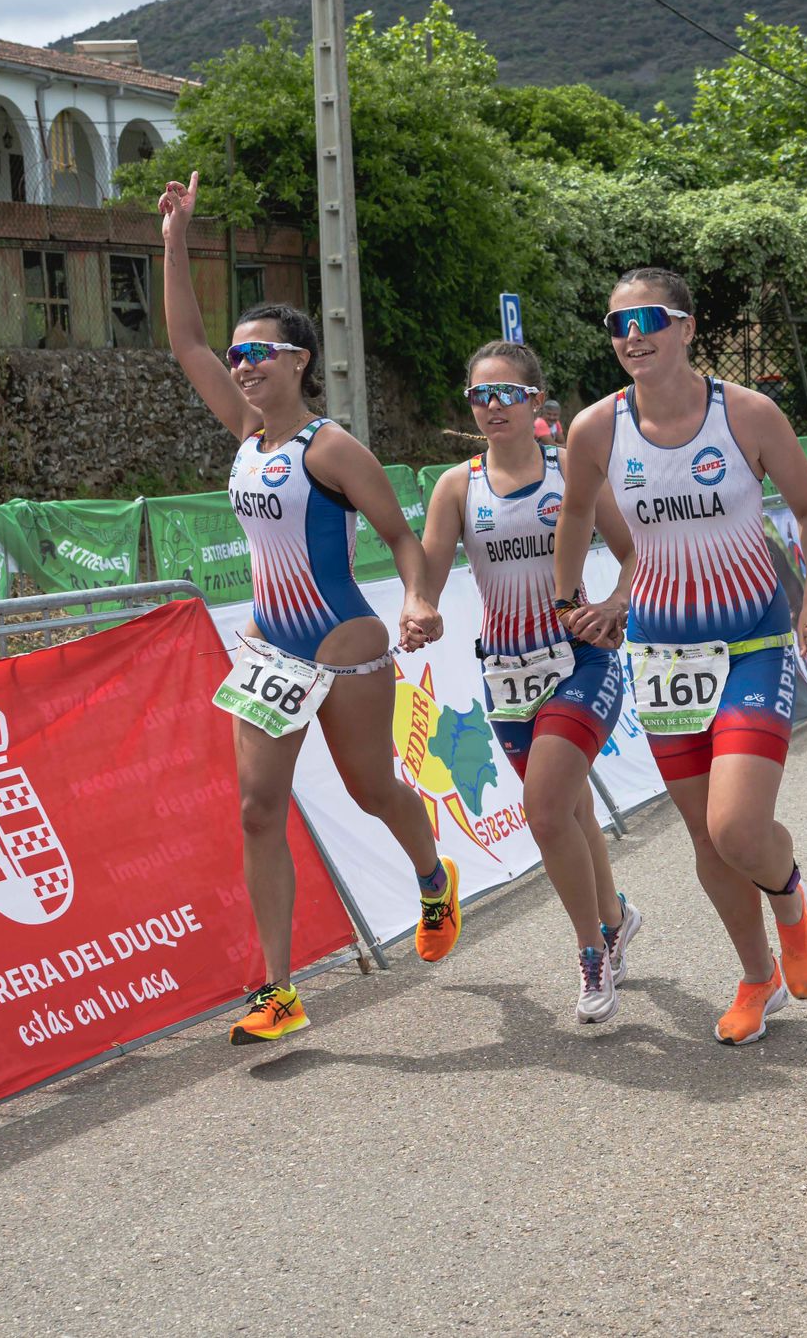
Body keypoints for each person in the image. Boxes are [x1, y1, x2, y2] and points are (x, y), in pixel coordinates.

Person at [158, 171, 462, 1046]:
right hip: (269, 650)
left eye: (258, 354)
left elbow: (403, 539)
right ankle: (280, 990)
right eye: (238, 356)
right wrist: (177, 238)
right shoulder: (245, 432)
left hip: (345, 642)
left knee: (372, 790)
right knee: (258, 808)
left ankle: (429, 871)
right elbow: (184, 344)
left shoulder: (332, 449)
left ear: (297, 361)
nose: (242, 365)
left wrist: (417, 600)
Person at [553, 268, 807, 1046]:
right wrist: (570, 600)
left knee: (740, 825)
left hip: (749, 642)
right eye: (616, 324)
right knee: (706, 839)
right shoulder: (596, 429)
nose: (631, 336)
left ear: (685, 326)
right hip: (663, 654)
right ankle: (757, 978)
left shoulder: (746, 414)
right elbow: (575, 510)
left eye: (647, 318)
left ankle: (793, 912)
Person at [405, 342, 644, 1022]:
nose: (491, 407)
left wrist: (617, 603)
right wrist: (418, 605)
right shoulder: (458, 486)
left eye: (506, 393)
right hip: (505, 673)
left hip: (579, 661)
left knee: (545, 811)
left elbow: (636, 554)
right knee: (569, 812)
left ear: (537, 400)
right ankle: (618, 917)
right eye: (479, 396)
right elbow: (425, 570)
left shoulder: (574, 472)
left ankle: (592, 950)